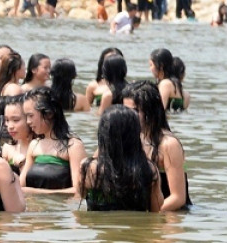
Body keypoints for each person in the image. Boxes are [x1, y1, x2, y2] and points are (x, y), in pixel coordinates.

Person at [78, 106, 162, 212]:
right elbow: (156, 211)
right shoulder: (149, 170)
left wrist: (104, 147)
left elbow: (81, 195)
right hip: (136, 227)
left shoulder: (89, 168)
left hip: (99, 227)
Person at [124, 81, 189, 210]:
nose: (127, 116)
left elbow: (178, 198)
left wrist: (149, 218)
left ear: (150, 111)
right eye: (125, 110)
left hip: (169, 212)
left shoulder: (169, 145)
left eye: (134, 111)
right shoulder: (129, 137)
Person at [20, 87, 86, 195]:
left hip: (59, 210)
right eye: (26, 117)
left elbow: (79, 191)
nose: (28, 121)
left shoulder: (73, 146)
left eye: (31, 116)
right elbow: (21, 186)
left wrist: (37, 192)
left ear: (49, 114)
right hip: (33, 210)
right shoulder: (34, 145)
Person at [0, 95, 33, 175]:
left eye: (15, 120)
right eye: (7, 120)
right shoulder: (7, 148)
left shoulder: (41, 147)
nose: (10, 126)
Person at [149, 48, 189, 112]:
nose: (150, 69)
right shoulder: (185, 93)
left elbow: (160, 110)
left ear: (161, 66)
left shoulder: (165, 84)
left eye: (151, 65)